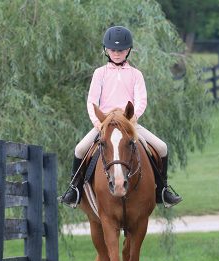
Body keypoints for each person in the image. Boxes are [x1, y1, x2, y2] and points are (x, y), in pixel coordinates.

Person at [58, 25, 182, 208]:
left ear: (128, 50)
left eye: (121, 50)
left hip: (129, 123)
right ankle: (73, 190)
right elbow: (92, 101)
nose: (117, 53)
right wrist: (97, 123)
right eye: (113, 49)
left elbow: (141, 101)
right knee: (79, 149)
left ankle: (162, 190)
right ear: (106, 50)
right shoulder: (99, 73)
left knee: (162, 148)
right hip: (104, 123)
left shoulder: (136, 74)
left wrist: (132, 120)